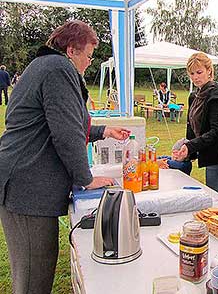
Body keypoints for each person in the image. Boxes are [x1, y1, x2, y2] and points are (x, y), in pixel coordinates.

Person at [0, 20, 130, 294]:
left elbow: (56, 122)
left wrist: (103, 130)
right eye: (88, 56)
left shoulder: (46, 66)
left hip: (23, 182)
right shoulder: (58, 69)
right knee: (34, 275)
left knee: (32, 267)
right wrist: (85, 178)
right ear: (71, 50)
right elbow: (66, 130)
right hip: (26, 186)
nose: (89, 63)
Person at [174, 52, 218, 194]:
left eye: (199, 72)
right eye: (191, 73)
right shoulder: (194, 96)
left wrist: (191, 146)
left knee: (216, 197)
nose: (195, 77)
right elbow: (191, 128)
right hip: (205, 152)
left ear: (209, 70)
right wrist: (188, 151)